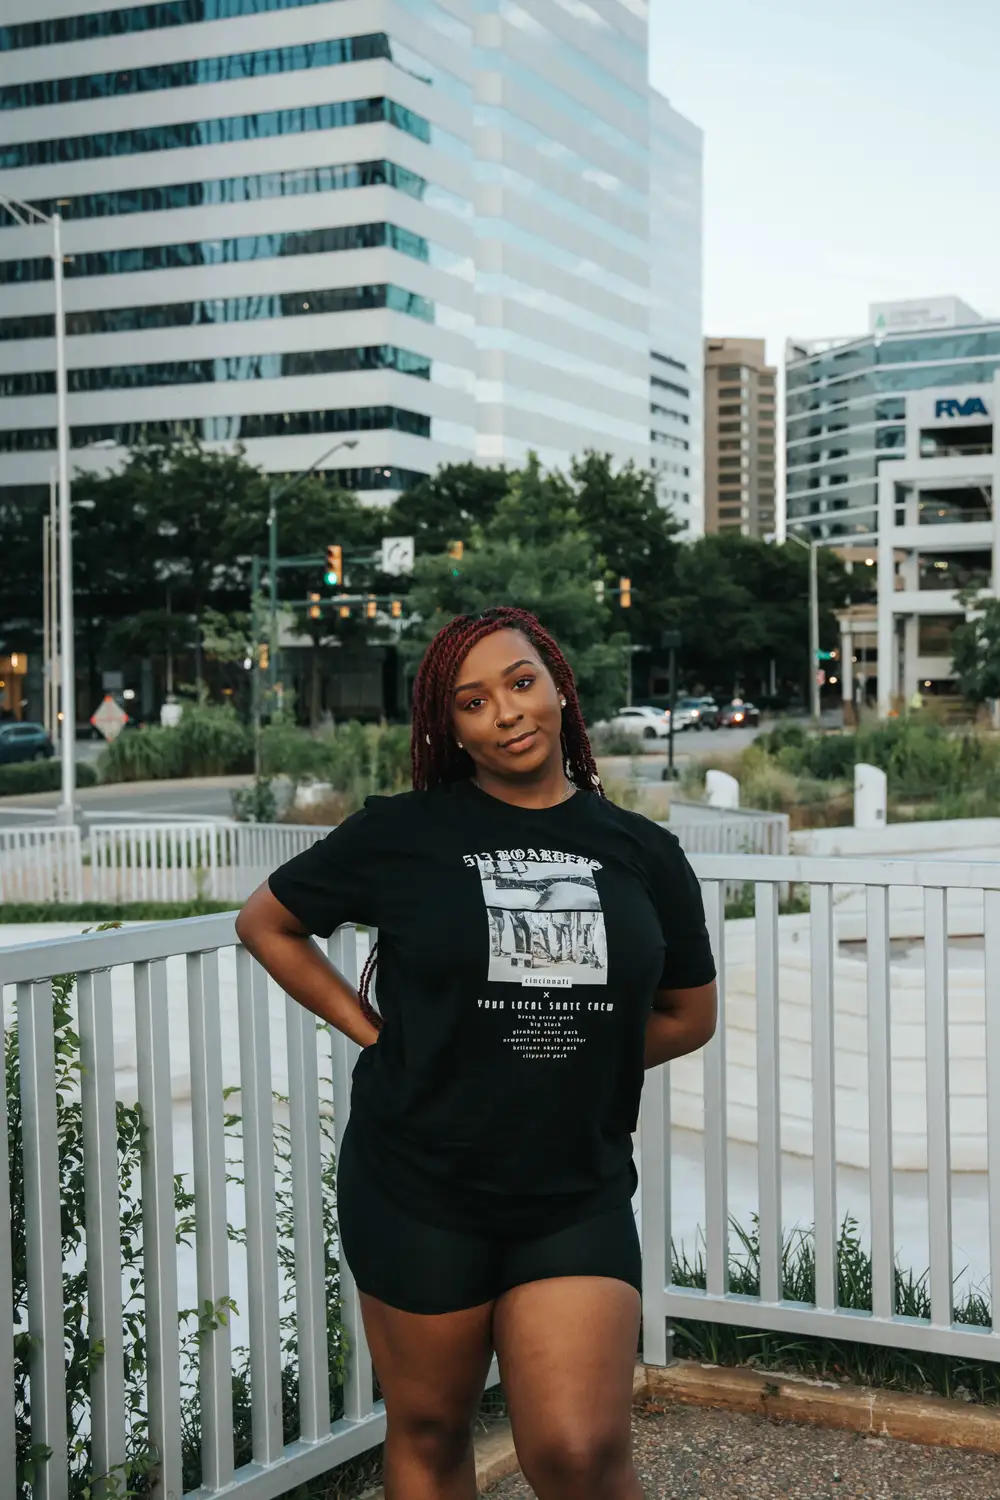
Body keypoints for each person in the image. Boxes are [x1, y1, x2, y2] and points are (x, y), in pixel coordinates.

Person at [236, 606, 718, 1500]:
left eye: (522, 682)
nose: (506, 712)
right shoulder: (404, 834)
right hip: (417, 1181)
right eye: (472, 701)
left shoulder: (644, 852)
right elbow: (267, 923)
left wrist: (576, 1054)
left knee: (579, 1450)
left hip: (572, 1190)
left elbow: (690, 1013)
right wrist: (378, 1034)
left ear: (561, 689)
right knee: (430, 1429)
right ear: (446, 727)